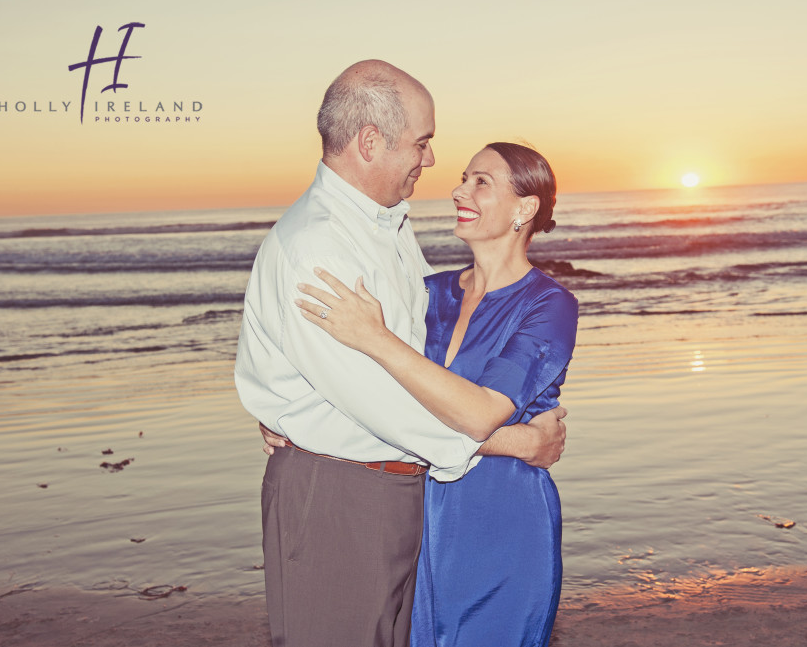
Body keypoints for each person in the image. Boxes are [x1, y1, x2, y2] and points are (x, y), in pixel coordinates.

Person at [234, 61, 566, 647]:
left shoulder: (388, 232)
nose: (435, 164)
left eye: (479, 180)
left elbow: (402, 364)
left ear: (526, 209)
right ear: (370, 142)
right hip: (345, 495)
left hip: (430, 502)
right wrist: (519, 441)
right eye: (424, 142)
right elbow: (379, 399)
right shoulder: (320, 245)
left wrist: (291, 398)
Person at [295, 142, 577, 647]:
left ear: (525, 207)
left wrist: (376, 338)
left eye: (480, 182)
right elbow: (361, 389)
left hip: (503, 521)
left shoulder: (550, 306)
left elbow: (479, 414)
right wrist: (297, 419)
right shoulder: (426, 292)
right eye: (463, 178)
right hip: (414, 517)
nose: (457, 190)